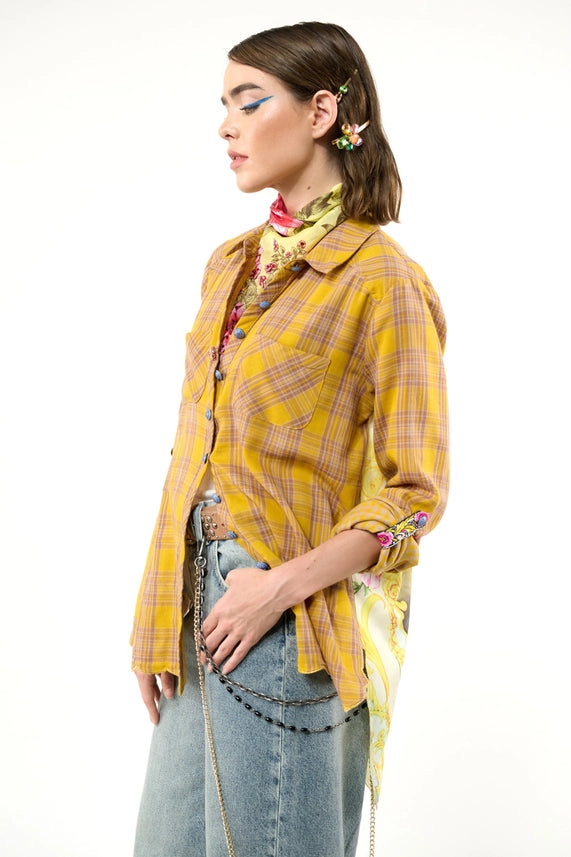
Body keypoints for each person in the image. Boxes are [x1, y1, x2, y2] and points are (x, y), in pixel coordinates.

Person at [130, 20, 449, 857]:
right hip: (194, 603)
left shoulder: (381, 279)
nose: (225, 126)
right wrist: (154, 613)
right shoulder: (229, 265)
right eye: (223, 104)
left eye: (248, 101)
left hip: (287, 616)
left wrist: (275, 588)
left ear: (319, 113)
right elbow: (191, 454)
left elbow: (414, 497)